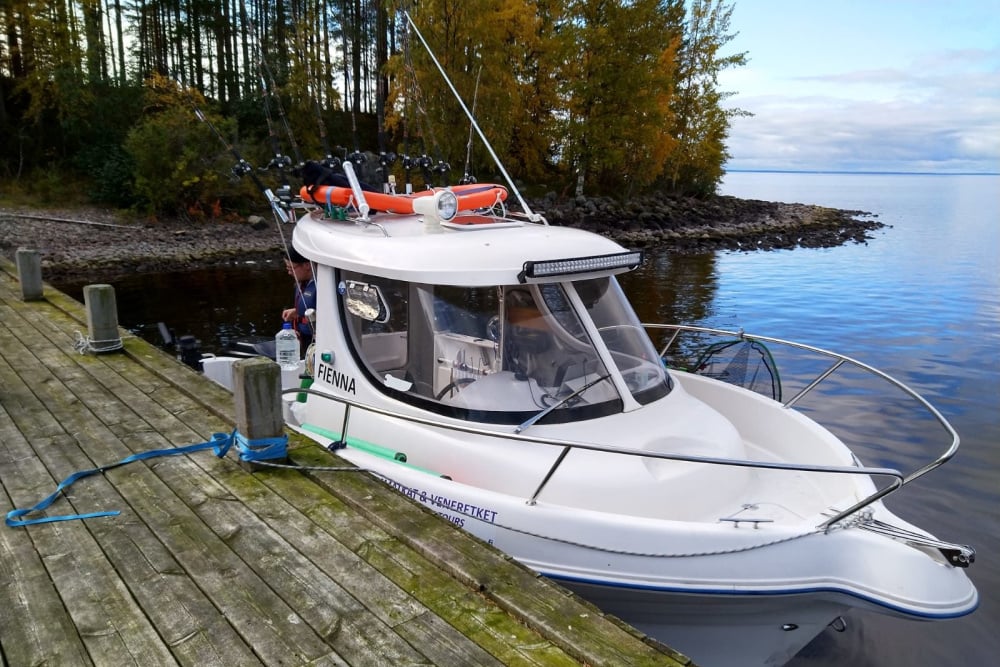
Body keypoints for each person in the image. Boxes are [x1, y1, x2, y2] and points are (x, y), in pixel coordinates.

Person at [282, 246, 316, 353]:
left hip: (317, 341)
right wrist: (297, 312)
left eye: (291, 268)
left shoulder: (322, 286)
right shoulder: (302, 282)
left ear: (307, 265)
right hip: (303, 338)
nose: (289, 273)